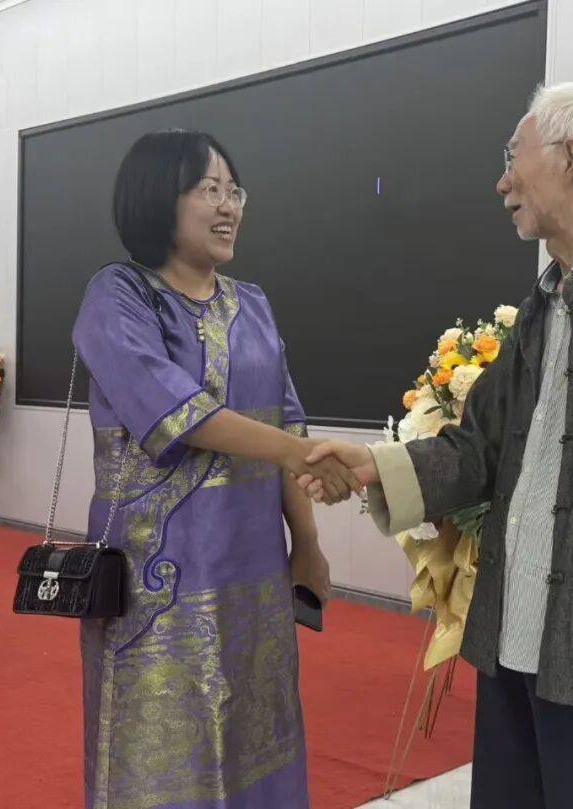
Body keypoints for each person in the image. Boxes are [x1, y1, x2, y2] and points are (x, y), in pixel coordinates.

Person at [301, 83, 573, 808]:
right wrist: (373, 467)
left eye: (513, 158)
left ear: (567, 159)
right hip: (512, 640)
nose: (502, 182)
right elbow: (477, 450)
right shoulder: (542, 308)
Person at [72, 129, 359, 809]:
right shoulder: (118, 295)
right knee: (165, 754)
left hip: (254, 571)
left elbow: (288, 422)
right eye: (210, 189)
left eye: (235, 191)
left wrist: (307, 543)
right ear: (158, 198)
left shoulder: (251, 302)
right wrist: (291, 451)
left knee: (258, 734)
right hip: (157, 582)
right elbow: (178, 412)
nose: (228, 206)